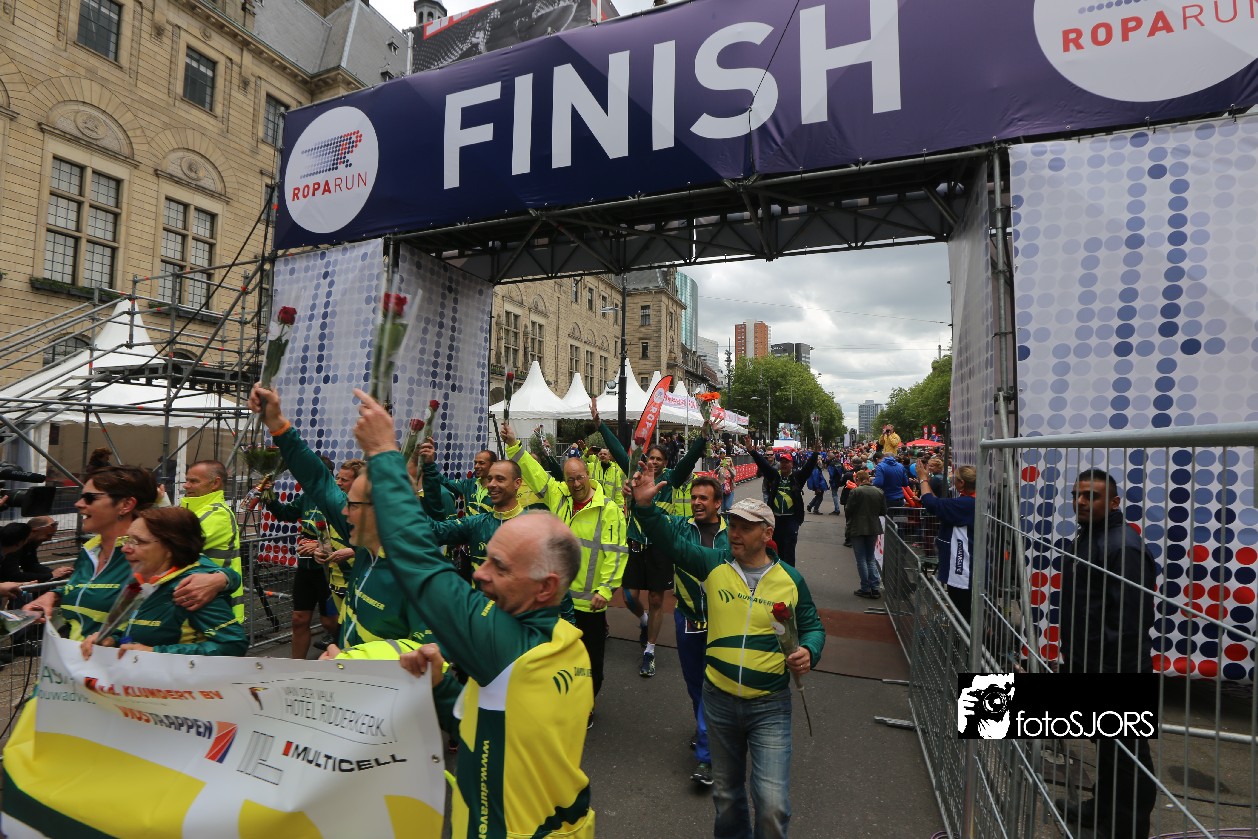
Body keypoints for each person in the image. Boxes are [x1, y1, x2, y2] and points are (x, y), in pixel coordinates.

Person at [353, 390, 595, 838]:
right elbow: (491, 726)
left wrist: (386, 454)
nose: (479, 574)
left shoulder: (509, 647)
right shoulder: (566, 643)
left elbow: (423, 566)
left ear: (546, 588)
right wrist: (443, 686)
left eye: (499, 567)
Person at [630, 476, 824, 839]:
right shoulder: (714, 564)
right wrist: (644, 507)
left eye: (746, 528)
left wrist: (808, 651)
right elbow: (672, 543)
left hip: (769, 705)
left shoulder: (790, 580)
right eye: (732, 526)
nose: (735, 534)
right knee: (727, 797)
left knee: (772, 804)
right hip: (718, 701)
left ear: (767, 534)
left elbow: (813, 627)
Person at [250, 383, 434, 651]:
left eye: (353, 504)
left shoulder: (418, 570)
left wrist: (352, 660)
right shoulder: (365, 542)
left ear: (380, 509)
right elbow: (317, 479)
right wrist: (277, 423)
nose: (344, 511)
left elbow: (428, 654)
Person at [1057, 469, 1157, 839]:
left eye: (1092, 496)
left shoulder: (1123, 546)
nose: (1081, 502)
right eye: (1077, 495)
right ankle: (1101, 809)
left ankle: (1125, 829)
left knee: (1128, 757)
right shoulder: (1090, 535)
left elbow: (1130, 622)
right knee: (1108, 747)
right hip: (1088, 661)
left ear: (1114, 502)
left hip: (1116, 670)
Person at [25, 466, 235, 639]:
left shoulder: (148, 551)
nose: (78, 504)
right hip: (78, 669)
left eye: (90, 498)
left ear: (126, 504)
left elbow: (202, 569)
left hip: (125, 671)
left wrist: (222, 579)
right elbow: (89, 587)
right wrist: (53, 595)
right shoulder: (91, 549)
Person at [503, 421, 626, 705]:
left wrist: (605, 590)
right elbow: (535, 474)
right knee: (556, 658)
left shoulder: (608, 510)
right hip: (557, 601)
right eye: (570, 479)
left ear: (588, 475)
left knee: (590, 660)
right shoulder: (559, 496)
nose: (576, 484)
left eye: (580, 478)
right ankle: (561, 703)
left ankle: (586, 705)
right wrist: (513, 445)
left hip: (590, 604)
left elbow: (616, 553)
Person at [596, 406, 706, 677]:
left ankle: (650, 650)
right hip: (635, 545)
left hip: (660, 548)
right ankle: (643, 620)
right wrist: (600, 425)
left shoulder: (671, 480)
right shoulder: (636, 475)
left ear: (666, 463)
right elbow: (620, 452)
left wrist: (703, 437)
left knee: (657, 599)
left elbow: (690, 459)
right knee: (629, 596)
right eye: (652, 458)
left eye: (659, 459)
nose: (654, 462)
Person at [79, 507, 247, 658]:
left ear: (170, 548)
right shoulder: (140, 583)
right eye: (127, 539)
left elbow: (234, 644)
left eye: (138, 541)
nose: (125, 548)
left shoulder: (191, 588)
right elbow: (137, 635)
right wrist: (112, 640)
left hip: (181, 683)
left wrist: (156, 653)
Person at [648, 474, 727, 787]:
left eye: (703, 498)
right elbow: (654, 523)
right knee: (695, 684)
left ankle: (708, 757)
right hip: (688, 619)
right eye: (694, 498)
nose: (696, 503)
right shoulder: (681, 527)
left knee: (713, 687)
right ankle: (705, 729)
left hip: (723, 623)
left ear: (718, 502)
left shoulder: (732, 533)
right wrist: (641, 503)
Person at [262, 454, 347, 659]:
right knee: (299, 619)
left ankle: (342, 658)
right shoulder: (307, 496)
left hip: (330, 570)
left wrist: (319, 545)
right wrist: (268, 494)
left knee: (330, 622)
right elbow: (285, 514)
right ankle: (296, 668)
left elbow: (348, 537)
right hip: (306, 567)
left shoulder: (340, 499)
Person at [179, 460, 244, 622]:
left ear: (215, 483)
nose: (186, 486)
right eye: (186, 480)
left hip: (216, 609)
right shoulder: (194, 509)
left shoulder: (217, 514)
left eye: (194, 481)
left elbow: (172, 545)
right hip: (202, 603)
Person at [918, 464, 977, 622]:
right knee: (963, 611)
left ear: (962, 483)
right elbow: (937, 504)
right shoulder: (968, 502)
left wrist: (923, 479)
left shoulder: (966, 504)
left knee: (963, 613)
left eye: (955, 479)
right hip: (961, 568)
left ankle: (964, 636)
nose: (952, 481)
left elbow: (931, 504)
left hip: (961, 570)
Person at [747, 440, 818, 567]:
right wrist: (752, 451)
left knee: (789, 549)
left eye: (787, 462)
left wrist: (816, 453)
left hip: (791, 520)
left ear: (792, 464)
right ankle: (776, 571)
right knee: (776, 548)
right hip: (776, 520)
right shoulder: (775, 476)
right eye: (782, 462)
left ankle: (789, 574)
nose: (784, 464)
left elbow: (808, 467)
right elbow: (763, 464)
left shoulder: (797, 477)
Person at [844, 470, 886, 598]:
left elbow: (848, 510)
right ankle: (874, 587)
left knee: (861, 558)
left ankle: (865, 588)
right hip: (873, 527)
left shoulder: (856, 491)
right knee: (870, 558)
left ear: (858, 479)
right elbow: (883, 511)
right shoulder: (879, 492)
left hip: (857, 527)